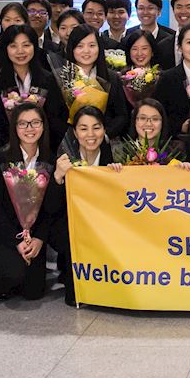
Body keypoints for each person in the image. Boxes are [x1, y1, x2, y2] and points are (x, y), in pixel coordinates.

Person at [0, 102, 60, 302]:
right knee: (12, 275)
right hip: (6, 234)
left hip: (34, 235)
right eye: (23, 124)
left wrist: (39, 239)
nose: (30, 128)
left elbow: (50, 208)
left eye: (35, 122)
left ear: (43, 126)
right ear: (14, 127)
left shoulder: (51, 160)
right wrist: (17, 241)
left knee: (33, 293)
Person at [51, 105, 121, 304]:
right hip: (72, 226)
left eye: (96, 127)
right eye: (83, 128)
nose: (90, 134)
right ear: (75, 132)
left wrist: (119, 175)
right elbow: (50, 208)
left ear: (104, 130)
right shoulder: (65, 159)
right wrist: (58, 177)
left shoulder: (115, 156)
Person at [0, 24, 68, 151]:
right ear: (5, 49)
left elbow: (57, 120)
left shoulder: (48, 80)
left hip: (43, 150)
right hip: (3, 151)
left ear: (34, 47)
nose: (20, 51)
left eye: (26, 45)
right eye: (13, 46)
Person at [58, 25, 130, 139]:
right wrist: (74, 137)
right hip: (70, 141)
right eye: (80, 46)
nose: (86, 51)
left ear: (99, 48)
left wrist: (104, 135)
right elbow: (54, 116)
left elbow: (121, 115)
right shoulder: (61, 77)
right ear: (72, 48)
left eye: (92, 45)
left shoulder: (111, 78)